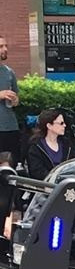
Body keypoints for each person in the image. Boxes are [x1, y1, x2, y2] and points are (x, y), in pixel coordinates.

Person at [25, 108, 74, 180]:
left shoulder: (67, 144)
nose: (65, 125)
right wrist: (56, 179)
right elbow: (36, 172)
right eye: (61, 123)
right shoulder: (36, 146)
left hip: (66, 184)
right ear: (49, 126)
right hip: (46, 186)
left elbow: (74, 164)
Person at [0, 34, 21, 168]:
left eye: (6, 46)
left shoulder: (9, 72)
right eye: (1, 46)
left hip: (10, 127)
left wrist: (15, 100)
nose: (5, 49)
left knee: (10, 166)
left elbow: (17, 98)